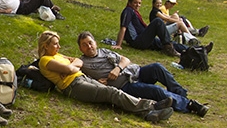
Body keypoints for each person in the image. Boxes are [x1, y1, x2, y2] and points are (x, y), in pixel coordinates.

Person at [37, 31, 174, 123]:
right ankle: (152, 106)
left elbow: (75, 63)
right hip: (73, 86)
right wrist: (72, 67)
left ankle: (148, 113)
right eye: (55, 44)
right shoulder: (45, 60)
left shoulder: (57, 56)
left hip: (83, 78)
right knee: (111, 92)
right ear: (45, 45)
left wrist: (73, 66)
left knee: (113, 95)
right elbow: (71, 67)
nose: (59, 46)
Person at [77, 31, 209, 117]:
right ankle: (190, 105)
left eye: (90, 43)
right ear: (80, 49)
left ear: (95, 43)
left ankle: (180, 94)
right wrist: (98, 82)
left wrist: (117, 68)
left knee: (157, 67)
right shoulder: (82, 62)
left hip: (135, 72)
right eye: (84, 45)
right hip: (125, 85)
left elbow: (125, 59)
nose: (89, 47)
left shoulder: (104, 51)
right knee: (156, 91)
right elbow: (81, 76)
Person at [114, 0, 202, 57]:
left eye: (139, 3)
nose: (138, 5)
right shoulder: (128, 11)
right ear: (130, 3)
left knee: (167, 43)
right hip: (137, 41)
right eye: (135, 3)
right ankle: (168, 49)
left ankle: (198, 50)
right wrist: (118, 45)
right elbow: (123, 27)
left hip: (145, 38)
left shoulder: (134, 12)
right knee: (157, 21)